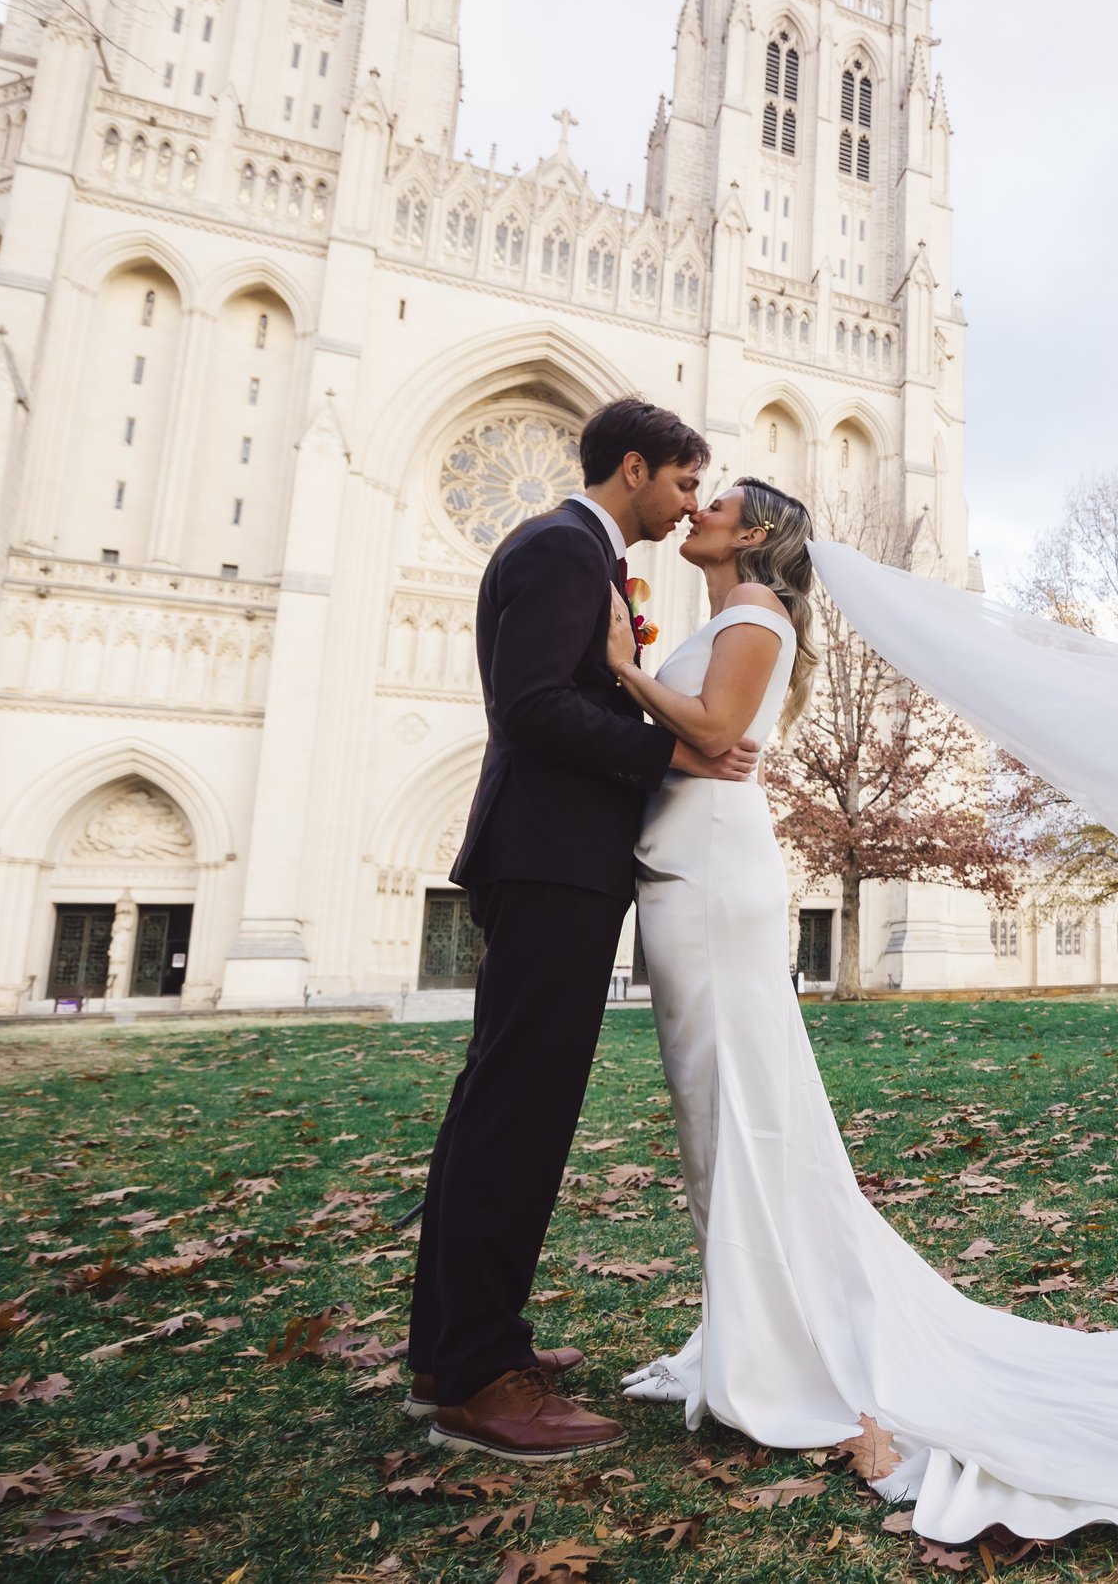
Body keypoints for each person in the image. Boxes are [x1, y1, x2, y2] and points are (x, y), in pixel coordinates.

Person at [608, 479, 1118, 1568]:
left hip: (714, 880)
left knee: (741, 1109)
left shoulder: (755, 618)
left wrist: (624, 673)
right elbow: (698, 739)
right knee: (726, 1114)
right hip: (690, 869)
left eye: (717, 502)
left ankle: (782, 1342)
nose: (698, 512)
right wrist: (652, 690)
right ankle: (758, 1322)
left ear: (759, 533)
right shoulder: (724, 618)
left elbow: (714, 734)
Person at [404, 399, 756, 1462]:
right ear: (636, 467)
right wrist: (672, 754)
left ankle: (456, 1346)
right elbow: (528, 708)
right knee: (519, 1110)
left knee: (500, 1103)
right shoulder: (563, 548)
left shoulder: (569, 551)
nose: (690, 502)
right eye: (684, 483)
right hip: (550, 857)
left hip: (552, 856)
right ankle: (476, 1374)